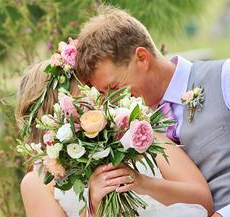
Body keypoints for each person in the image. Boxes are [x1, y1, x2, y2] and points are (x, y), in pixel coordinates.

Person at [75, 6, 230, 217]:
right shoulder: (126, 131)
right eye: (104, 93)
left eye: (114, 87)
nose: (112, 100)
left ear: (142, 57)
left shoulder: (223, 77)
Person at [17, 61, 212, 216]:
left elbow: (203, 200)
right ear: (56, 111)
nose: (100, 99)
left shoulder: (139, 135)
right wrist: (93, 206)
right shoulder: (38, 182)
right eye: (85, 93)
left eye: (95, 91)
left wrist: (143, 183)